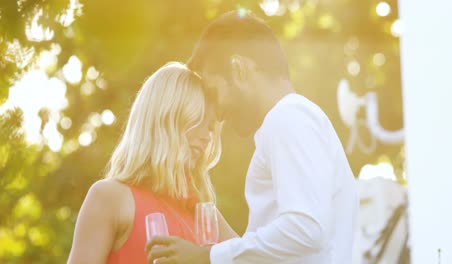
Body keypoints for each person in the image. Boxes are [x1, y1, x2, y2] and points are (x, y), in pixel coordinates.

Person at [147, 10, 358, 264]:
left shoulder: (288, 118)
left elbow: (305, 228)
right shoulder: (291, 121)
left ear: (239, 69)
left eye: (214, 92)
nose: (219, 114)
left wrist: (207, 256)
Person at [68, 62, 237, 264]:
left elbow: (256, 259)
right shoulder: (110, 198)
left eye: (210, 128)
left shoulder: (205, 214)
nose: (207, 137)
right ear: (167, 117)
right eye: (199, 120)